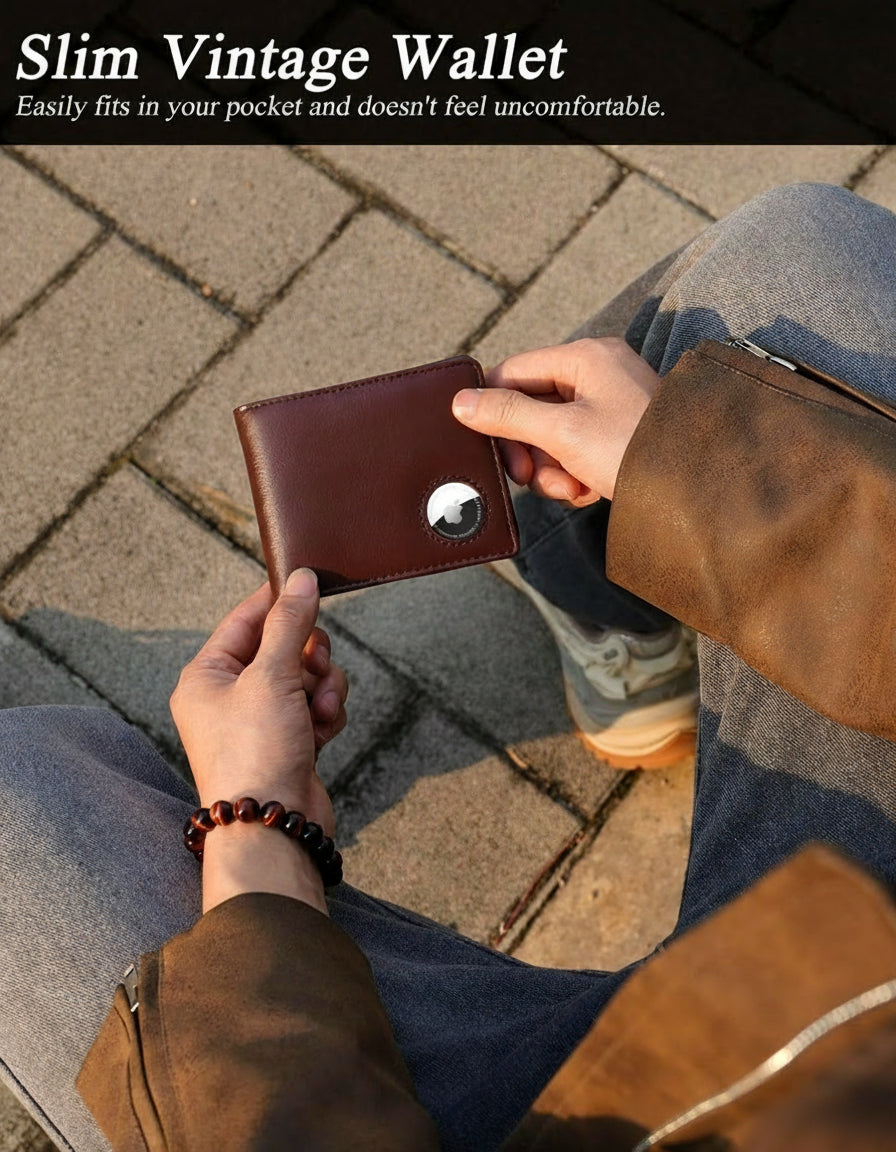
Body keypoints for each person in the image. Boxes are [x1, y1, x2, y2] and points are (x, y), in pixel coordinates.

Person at [4, 181, 896, 1152]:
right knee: (793, 252)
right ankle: (613, 596)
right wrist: (703, 481)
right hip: (849, 1004)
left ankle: (612, 598)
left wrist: (256, 829)